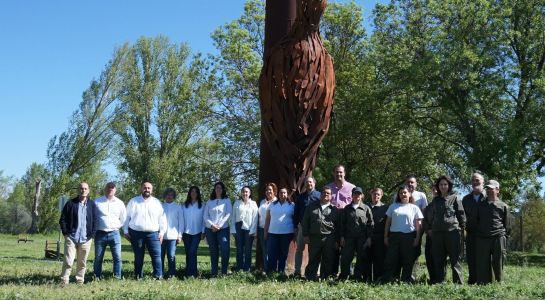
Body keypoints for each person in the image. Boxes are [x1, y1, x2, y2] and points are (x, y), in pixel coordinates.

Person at [423, 176, 466, 284]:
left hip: (452, 233)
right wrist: (429, 229)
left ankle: (458, 283)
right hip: (437, 234)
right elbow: (431, 216)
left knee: (455, 259)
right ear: (438, 186)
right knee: (439, 259)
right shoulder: (435, 200)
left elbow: (461, 214)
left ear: (449, 186)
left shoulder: (455, 198)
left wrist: (463, 229)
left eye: (445, 184)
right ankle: (440, 282)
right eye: (441, 184)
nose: (443, 186)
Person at [123, 181, 167, 279]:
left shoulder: (157, 202)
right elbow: (127, 217)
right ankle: (138, 276)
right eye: (145, 187)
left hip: (153, 233)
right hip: (136, 233)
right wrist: (125, 231)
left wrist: (162, 232)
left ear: (152, 190)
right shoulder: (133, 201)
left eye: (149, 188)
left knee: (157, 256)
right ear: (141, 189)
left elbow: (162, 219)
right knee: (139, 256)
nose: (146, 189)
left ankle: (158, 276)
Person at [381, 186, 423, 283]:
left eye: (405, 192)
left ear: (409, 194)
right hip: (394, 236)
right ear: (398, 195)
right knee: (391, 258)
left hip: (408, 236)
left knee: (407, 259)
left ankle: (406, 279)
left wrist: (417, 238)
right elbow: (387, 223)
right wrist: (385, 237)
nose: (403, 194)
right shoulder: (393, 206)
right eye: (401, 193)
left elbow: (418, 225)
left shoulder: (414, 208)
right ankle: (389, 278)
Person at [59, 182, 97, 285]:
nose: (83, 190)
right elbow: (62, 219)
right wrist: (66, 233)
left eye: (85, 188)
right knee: (68, 260)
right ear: (78, 190)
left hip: (86, 239)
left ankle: (79, 281)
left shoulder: (92, 204)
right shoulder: (71, 203)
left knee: (82, 262)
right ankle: (64, 281)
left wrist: (92, 235)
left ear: (88, 190)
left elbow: (95, 221)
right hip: (71, 237)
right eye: (81, 188)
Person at [475, 180, 511, 284]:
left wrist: (504, 237)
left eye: (491, 188)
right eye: (487, 188)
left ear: (497, 190)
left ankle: (499, 282)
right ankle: (484, 283)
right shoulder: (480, 205)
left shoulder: (504, 206)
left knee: (498, 261)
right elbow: (476, 220)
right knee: (483, 262)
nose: (489, 191)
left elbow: (508, 225)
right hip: (483, 238)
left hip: (498, 237)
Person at [301, 186, 340, 280]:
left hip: (329, 238)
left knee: (328, 259)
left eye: (328, 193)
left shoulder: (335, 209)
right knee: (313, 258)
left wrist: (337, 240)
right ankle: (310, 277)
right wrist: (305, 235)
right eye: (324, 192)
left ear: (331, 196)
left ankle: (325, 277)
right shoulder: (311, 206)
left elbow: (338, 226)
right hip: (314, 237)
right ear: (320, 194)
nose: (326, 194)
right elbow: (305, 221)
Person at [339, 187, 373, 281]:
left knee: (361, 258)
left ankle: (357, 277)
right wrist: (342, 236)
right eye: (355, 194)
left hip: (362, 238)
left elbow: (370, 224)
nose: (357, 196)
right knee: (346, 257)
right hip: (349, 238)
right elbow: (342, 224)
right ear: (352, 195)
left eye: (359, 194)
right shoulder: (347, 208)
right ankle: (344, 276)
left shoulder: (366, 208)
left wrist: (369, 238)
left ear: (362, 196)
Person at [93, 182, 126, 280]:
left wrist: (118, 227)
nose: (110, 189)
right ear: (105, 189)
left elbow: (124, 218)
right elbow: (93, 217)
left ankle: (117, 277)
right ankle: (96, 276)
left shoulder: (120, 203)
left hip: (114, 234)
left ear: (115, 190)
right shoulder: (97, 201)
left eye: (112, 188)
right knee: (98, 257)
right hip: (100, 233)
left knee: (117, 257)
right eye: (108, 187)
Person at [293, 176, 321, 276]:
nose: (309, 184)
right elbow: (296, 212)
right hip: (302, 227)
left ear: (314, 183)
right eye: (307, 182)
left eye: (310, 182)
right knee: (299, 249)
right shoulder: (301, 197)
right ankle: (297, 271)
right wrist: (295, 226)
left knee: (314, 251)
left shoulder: (319, 196)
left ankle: (314, 272)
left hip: (314, 227)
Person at [264, 187, 296, 275]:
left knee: (283, 254)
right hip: (273, 233)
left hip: (287, 233)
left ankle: (281, 272)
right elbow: (267, 219)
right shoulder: (272, 205)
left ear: (287, 194)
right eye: (281, 193)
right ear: (278, 194)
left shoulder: (292, 205)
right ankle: (271, 272)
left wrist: (295, 232)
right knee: (272, 253)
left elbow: (295, 219)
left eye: (284, 193)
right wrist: (265, 232)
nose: (283, 194)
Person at [204, 181, 232, 276]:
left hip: (223, 229)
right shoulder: (209, 201)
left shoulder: (226, 200)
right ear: (214, 189)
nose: (218, 189)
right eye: (216, 188)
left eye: (220, 188)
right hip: (210, 229)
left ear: (223, 189)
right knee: (213, 250)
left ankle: (224, 271)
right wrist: (212, 225)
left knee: (225, 249)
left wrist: (219, 225)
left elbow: (228, 214)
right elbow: (205, 216)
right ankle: (214, 272)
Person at [461, 173, 485, 284]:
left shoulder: (488, 197)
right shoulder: (466, 199)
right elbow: (462, 217)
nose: (475, 182)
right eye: (473, 180)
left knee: (484, 259)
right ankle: (472, 280)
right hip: (470, 234)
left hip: (485, 234)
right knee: (471, 258)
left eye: (477, 180)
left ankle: (483, 280)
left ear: (483, 182)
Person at [362, 187, 389, 282]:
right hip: (366, 237)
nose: (376, 196)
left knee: (379, 259)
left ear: (381, 195)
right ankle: (367, 279)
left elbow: (388, 223)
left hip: (380, 237)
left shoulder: (386, 208)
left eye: (378, 194)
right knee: (366, 259)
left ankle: (378, 279)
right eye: (374, 194)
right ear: (371, 195)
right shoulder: (365, 207)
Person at [230, 186, 258, 272]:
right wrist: (233, 230)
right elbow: (233, 217)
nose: (245, 193)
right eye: (243, 192)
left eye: (246, 192)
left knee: (248, 250)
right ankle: (239, 268)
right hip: (238, 228)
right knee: (239, 250)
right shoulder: (237, 203)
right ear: (241, 193)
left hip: (249, 229)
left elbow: (255, 218)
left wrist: (253, 230)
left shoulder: (253, 203)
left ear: (249, 193)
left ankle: (247, 269)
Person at [182, 186, 205, 278]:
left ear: (198, 193)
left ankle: (193, 274)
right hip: (186, 232)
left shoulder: (203, 205)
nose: (193, 193)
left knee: (192, 251)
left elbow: (204, 219)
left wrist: (203, 232)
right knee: (188, 252)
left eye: (195, 192)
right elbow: (182, 219)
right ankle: (188, 272)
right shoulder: (184, 205)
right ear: (189, 193)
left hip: (197, 232)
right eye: (192, 191)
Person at [161, 187, 184, 279]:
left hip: (173, 236)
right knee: (160, 256)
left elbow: (181, 222)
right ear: (165, 195)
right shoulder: (161, 206)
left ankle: (172, 274)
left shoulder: (178, 207)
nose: (169, 196)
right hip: (161, 236)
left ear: (173, 196)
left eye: (171, 195)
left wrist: (180, 235)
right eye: (167, 194)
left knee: (171, 255)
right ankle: (160, 273)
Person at [257, 182, 277, 272]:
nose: (268, 191)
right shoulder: (262, 201)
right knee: (264, 250)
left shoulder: (276, 202)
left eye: (270, 190)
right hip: (261, 228)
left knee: (272, 250)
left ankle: (273, 269)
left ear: (274, 191)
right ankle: (266, 269)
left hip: (272, 229)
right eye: (267, 190)